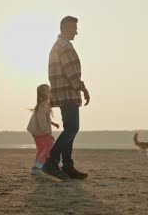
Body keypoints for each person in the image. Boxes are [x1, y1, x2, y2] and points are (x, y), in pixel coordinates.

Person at [41, 16, 90, 180]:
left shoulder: (58, 46)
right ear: (66, 28)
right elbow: (71, 72)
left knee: (70, 129)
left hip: (63, 93)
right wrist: (83, 89)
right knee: (72, 129)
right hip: (67, 93)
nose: (76, 32)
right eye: (74, 28)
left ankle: (67, 165)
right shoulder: (64, 47)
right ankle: (51, 160)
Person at [26, 84, 59, 175]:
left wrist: (52, 123)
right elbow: (41, 120)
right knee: (48, 146)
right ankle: (37, 166)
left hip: (37, 130)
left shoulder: (44, 104)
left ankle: (36, 168)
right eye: (48, 91)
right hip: (40, 131)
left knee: (41, 148)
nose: (49, 93)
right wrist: (47, 132)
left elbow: (45, 118)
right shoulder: (42, 105)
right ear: (42, 92)